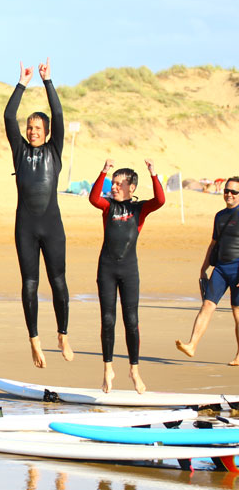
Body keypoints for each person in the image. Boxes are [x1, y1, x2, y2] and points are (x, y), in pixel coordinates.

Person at [4, 57, 73, 368]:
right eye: (29, 127)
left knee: (58, 281)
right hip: (26, 228)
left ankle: (62, 334)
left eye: (37, 128)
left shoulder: (54, 150)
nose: (32, 131)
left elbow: (58, 114)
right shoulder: (19, 152)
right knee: (29, 283)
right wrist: (22, 83)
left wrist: (47, 81)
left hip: (53, 226)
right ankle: (34, 340)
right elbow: (8, 116)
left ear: (46, 132)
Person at [89, 159, 164, 393]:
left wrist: (154, 174)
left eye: (118, 183)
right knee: (108, 320)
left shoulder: (139, 209)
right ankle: (107, 370)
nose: (113, 186)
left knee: (131, 321)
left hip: (129, 270)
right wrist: (103, 171)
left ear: (130, 188)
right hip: (107, 269)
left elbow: (160, 200)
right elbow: (93, 198)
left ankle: (134, 370)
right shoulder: (107, 207)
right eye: (112, 183)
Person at [176, 176, 239, 366]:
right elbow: (213, 243)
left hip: (238, 267)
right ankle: (192, 345)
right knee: (207, 305)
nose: (228, 194)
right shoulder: (220, 216)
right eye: (226, 190)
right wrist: (204, 268)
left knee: (237, 312)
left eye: (233, 192)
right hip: (220, 268)